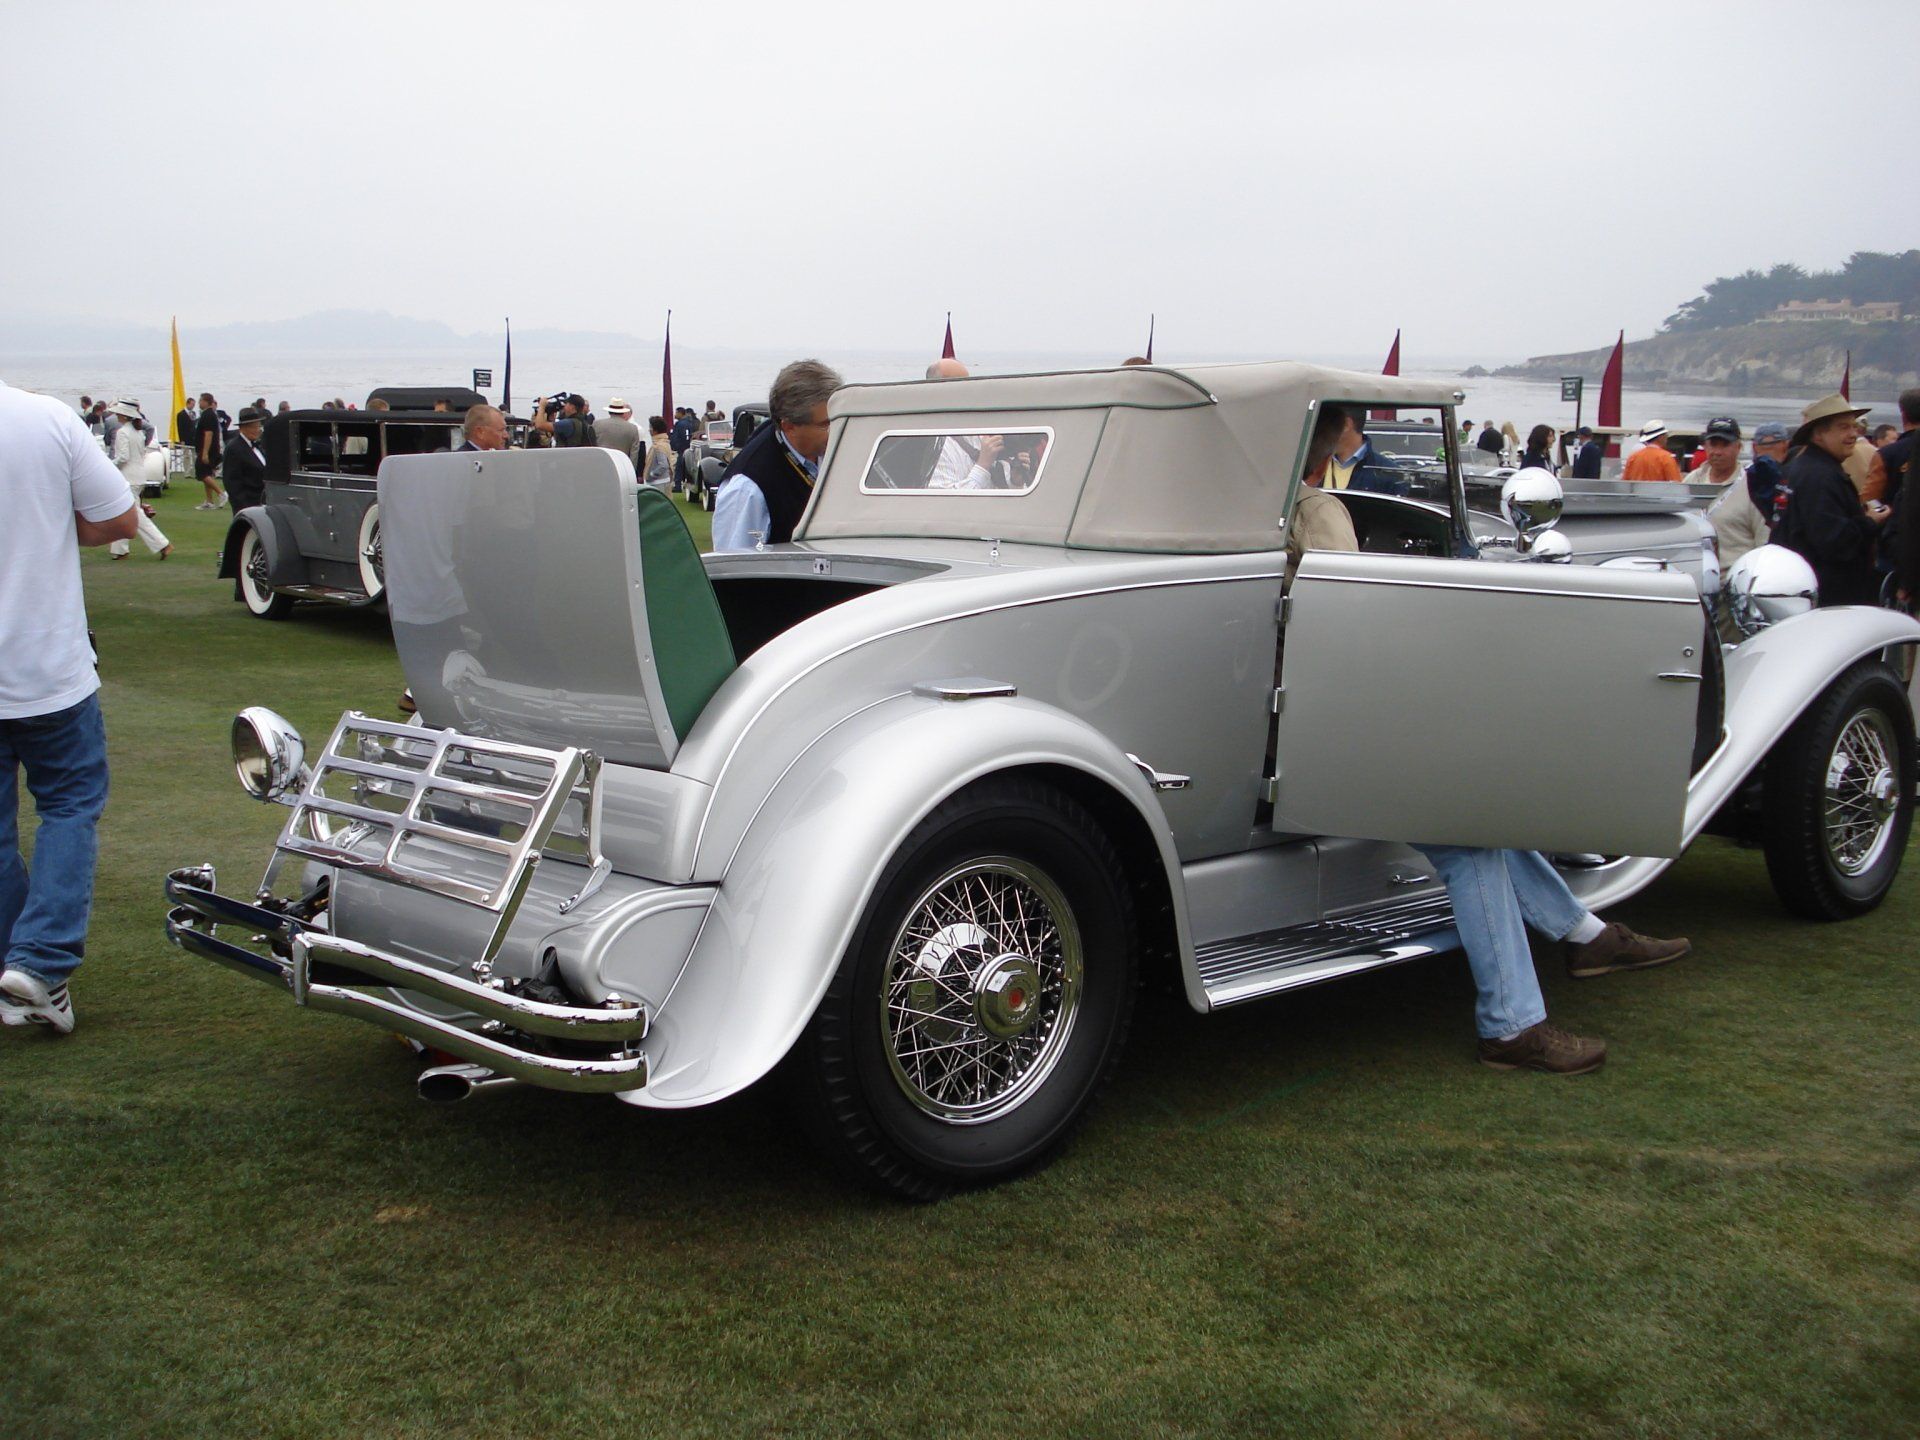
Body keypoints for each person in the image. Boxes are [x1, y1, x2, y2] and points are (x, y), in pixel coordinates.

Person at [1286, 406, 1688, 1072]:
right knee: (1466, 832)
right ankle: (1511, 1023)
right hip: (1315, 725)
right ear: (1322, 443)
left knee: (1478, 812)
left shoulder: (1252, 511)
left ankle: (1587, 935)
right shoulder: (1314, 510)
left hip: (1286, 714)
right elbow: (1347, 613)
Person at [0, 377, 142, 1035]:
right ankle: (38, 961)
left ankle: (22, 968)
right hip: (47, 664)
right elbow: (119, 518)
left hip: (41, 667)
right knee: (68, 805)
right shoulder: (46, 419)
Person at [712, 359, 842, 551]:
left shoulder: (829, 450)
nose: (837, 430)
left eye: (838, 419)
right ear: (789, 426)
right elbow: (735, 567)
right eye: (825, 424)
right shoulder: (748, 490)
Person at [1776, 393, 1887, 608]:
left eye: (1854, 427)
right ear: (1818, 434)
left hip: (1805, 587)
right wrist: (1871, 521)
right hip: (1828, 597)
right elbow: (1834, 541)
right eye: (1843, 427)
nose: (1853, 434)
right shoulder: (1821, 476)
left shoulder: (1804, 467)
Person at [105, 401, 171, 561]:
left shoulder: (123, 432)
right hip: (139, 476)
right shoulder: (137, 432)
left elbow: (123, 457)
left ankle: (162, 544)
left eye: (118, 413)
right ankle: (120, 550)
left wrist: (107, 465)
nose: (116, 415)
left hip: (128, 478)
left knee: (134, 514)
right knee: (123, 513)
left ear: (124, 415)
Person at [1324, 410, 1405, 493]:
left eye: (1324, 422)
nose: (1319, 429)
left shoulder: (1389, 475)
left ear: (1346, 424)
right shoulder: (1314, 465)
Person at [221, 406, 271, 510]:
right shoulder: (234, 448)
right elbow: (231, 483)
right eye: (254, 427)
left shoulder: (258, 446)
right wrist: (244, 509)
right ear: (243, 428)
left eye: (259, 427)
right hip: (247, 506)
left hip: (263, 503)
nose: (257, 430)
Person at [1685, 416, 1742, 485]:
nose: (1718, 452)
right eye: (1713, 444)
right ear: (1705, 446)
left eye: (1725, 445)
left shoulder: (1749, 482)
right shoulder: (1693, 480)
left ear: (1738, 447)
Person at [193, 390, 224, 508]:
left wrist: (205, 453)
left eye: (201, 400)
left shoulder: (208, 415)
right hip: (205, 449)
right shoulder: (206, 414)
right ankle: (209, 501)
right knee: (206, 473)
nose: (199, 403)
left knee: (201, 473)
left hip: (208, 450)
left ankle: (221, 493)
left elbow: (209, 434)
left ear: (207, 402)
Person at [596, 397, 643, 468]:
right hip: (622, 467)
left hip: (601, 465)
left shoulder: (597, 425)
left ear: (609, 411)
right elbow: (634, 455)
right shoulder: (632, 428)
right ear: (623, 412)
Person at [642, 415, 675, 489]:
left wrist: (651, 475)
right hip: (663, 480)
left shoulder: (658, 446)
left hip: (657, 482)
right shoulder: (665, 442)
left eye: (650, 427)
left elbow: (663, 465)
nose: (649, 430)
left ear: (655, 430)